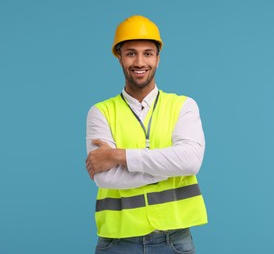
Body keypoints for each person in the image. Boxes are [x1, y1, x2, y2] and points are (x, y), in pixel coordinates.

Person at [85, 15, 208, 254]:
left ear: (158, 59)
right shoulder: (100, 112)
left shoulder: (183, 106)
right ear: (119, 57)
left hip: (175, 241)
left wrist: (119, 156)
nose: (140, 61)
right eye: (131, 53)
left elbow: (190, 161)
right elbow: (105, 178)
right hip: (117, 242)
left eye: (147, 53)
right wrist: (169, 169)